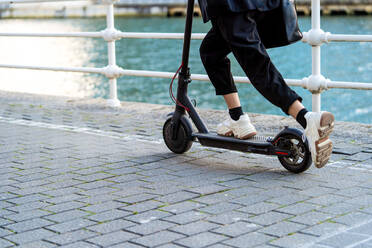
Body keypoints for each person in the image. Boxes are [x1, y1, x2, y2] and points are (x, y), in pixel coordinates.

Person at [197, 0, 334, 168]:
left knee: (258, 67)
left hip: (232, 6)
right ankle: (237, 118)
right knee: (210, 52)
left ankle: (306, 118)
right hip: (259, 4)